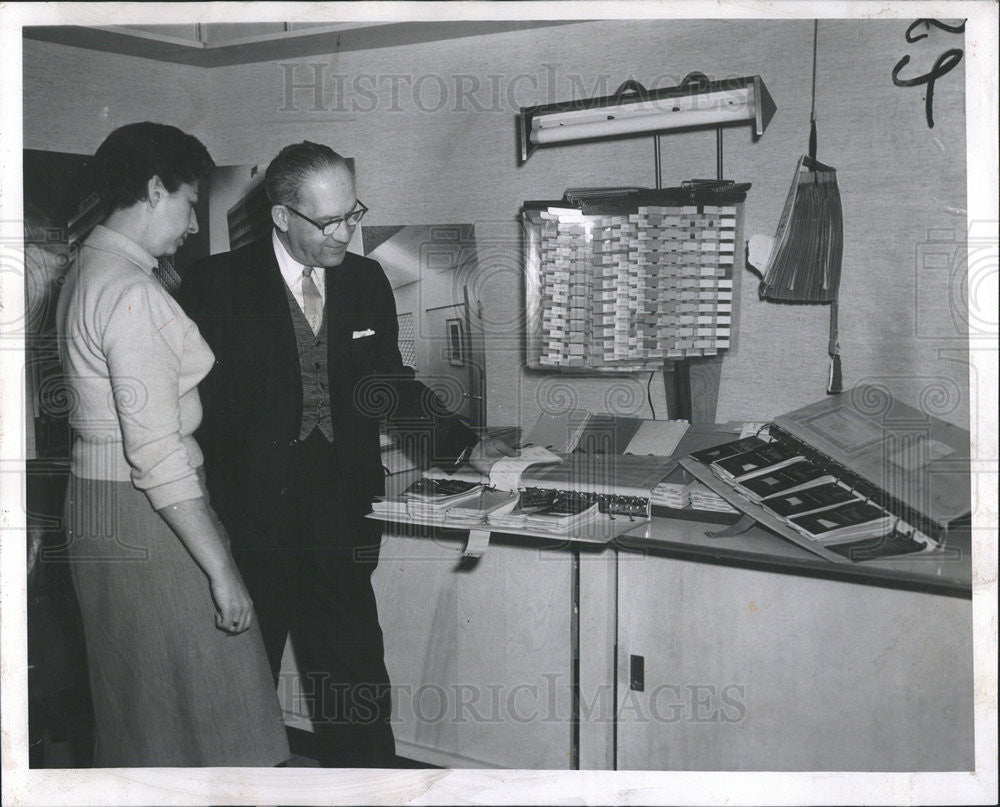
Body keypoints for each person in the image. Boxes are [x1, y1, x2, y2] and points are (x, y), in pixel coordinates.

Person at [179, 141, 509, 767]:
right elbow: (193, 412)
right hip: (251, 520)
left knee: (355, 682)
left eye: (352, 213)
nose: (347, 232)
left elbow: (385, 380)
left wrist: (463, 442)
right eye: (329, 222)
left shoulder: (364, 279)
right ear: (282, 216)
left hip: (341, 509)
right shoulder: (216, 284)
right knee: (237, 686)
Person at [55, 122, 290, 767]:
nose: (192, 225)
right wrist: (223, 574)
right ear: (155, 190)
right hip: (149, 512)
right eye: (189, 204)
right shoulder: (132, 293)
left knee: (140, 711)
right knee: (225, 715)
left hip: (96, 507)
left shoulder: (88, 269)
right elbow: (158, 456)